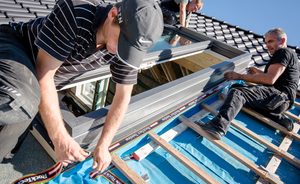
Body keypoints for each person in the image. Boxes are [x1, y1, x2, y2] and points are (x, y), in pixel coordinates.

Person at [0, 0, 164, 173]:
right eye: (122, 43)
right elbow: (44, 73)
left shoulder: (124, 47)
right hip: (15, 47)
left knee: (8, 143)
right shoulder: (76, 13)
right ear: (113, 14)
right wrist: (60, 138)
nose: (121, 52)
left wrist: (103, 145)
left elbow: (123, 96)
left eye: (130, 50)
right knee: (20, 100)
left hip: (34, 85)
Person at [196, 28, 299, 139]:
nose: (267, 46)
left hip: (277, 96)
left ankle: (217, 126)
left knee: (238, 92)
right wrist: (259, 72)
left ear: (282, 41)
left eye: (271, 41)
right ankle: (281, 120)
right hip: (280, 102)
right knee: (237, 88)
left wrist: (239, 76)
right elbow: (278, 78)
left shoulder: (283, 52)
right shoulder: (289, 56)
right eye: (266, 42)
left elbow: (270, 79)